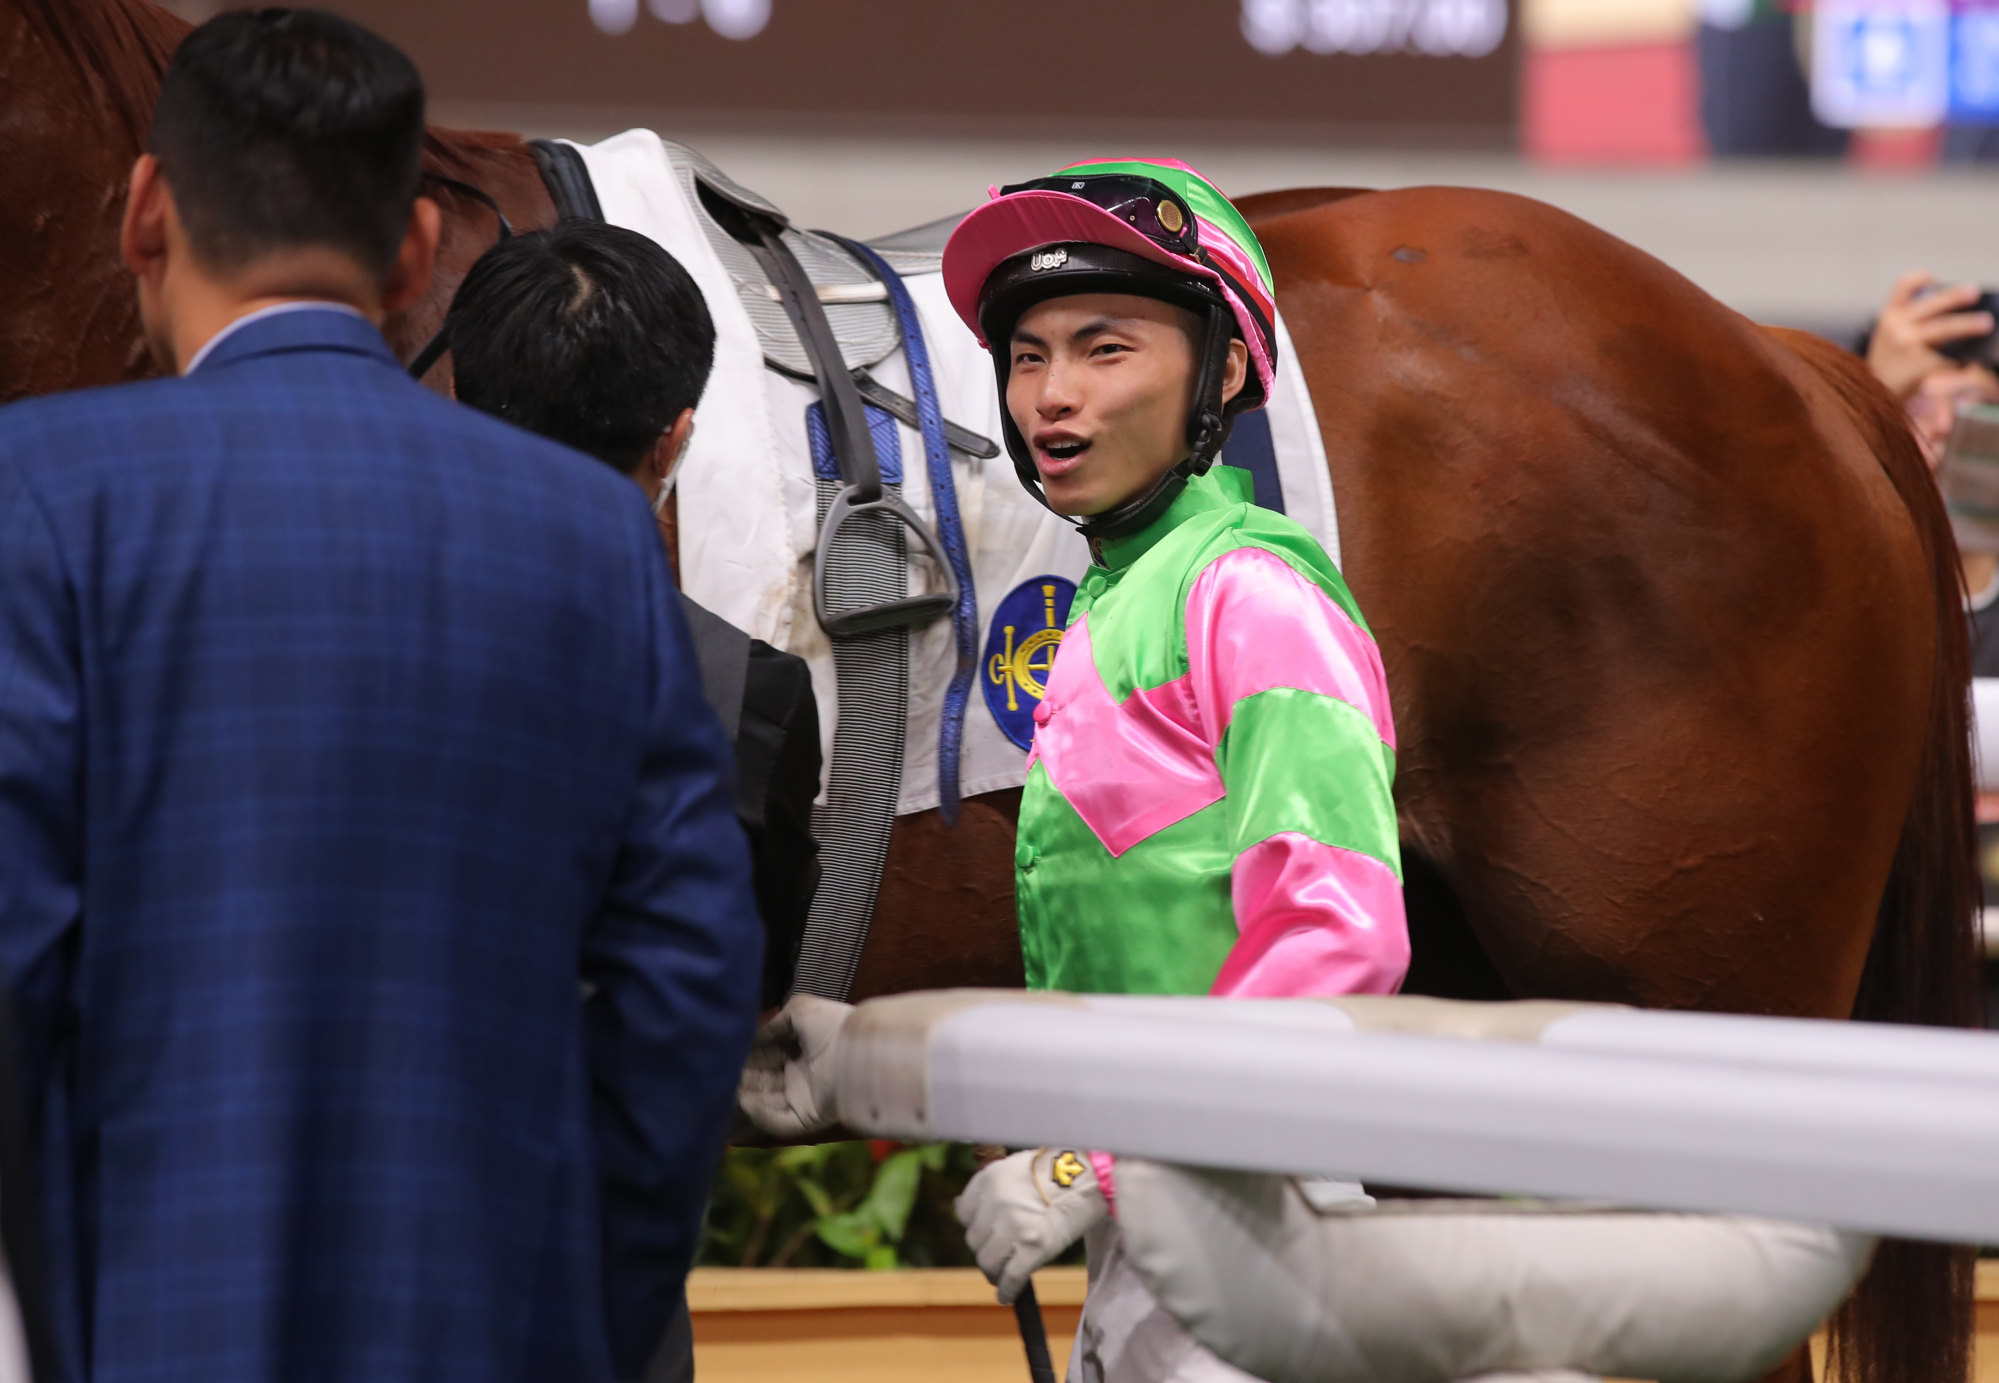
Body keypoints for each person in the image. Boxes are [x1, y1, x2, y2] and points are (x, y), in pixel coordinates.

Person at [0, 12, 761, 1383]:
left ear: (144, 214)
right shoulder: (590, 532)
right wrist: (588, 1299)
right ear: (415, 248)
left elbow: (17, 961)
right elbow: (686, 977)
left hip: (160, 1318)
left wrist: (79, 1324)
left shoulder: (39, 493)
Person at [938, 159, 1409, 1383]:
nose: (1052, 395)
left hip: (1257, 1244)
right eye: (1028, 355)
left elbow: (1337, 938)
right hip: (1154, 1250)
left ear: (1228, 370)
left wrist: (1085, 1168)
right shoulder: (1115, 600)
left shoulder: (1253, 593)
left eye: (1104, 349)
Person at [445, 222, 821, 1018]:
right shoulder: (752, 694)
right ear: (673, 441)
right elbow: (744, 989)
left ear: (461, 408)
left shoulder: (324, 631)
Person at [1860, 273, 1999, 674]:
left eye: (1967, 404)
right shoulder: (1857, 597)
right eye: (1916, 408)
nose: (1941, 425)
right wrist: (1870, 398)